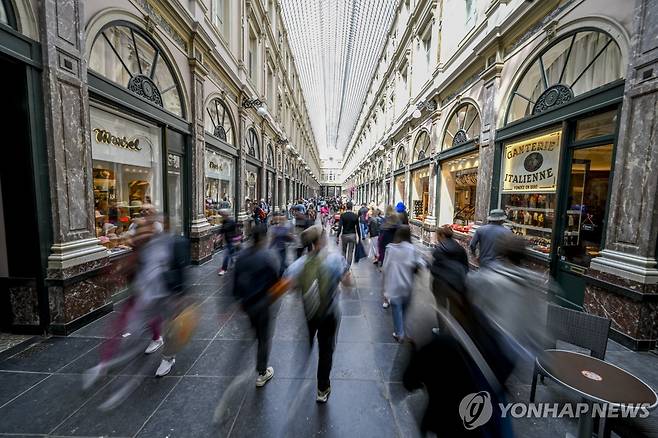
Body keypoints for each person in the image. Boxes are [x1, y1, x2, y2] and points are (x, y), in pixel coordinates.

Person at [284, 225, 352, 402]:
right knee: (326, 350)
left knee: (310, 335)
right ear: (320, 242)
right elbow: (348, 283)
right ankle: (322, 389)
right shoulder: (335, 260)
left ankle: (305, 354)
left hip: (310, 313)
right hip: (329, 314)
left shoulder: (298, 265)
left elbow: (290, 288)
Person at [232, 224, 280, 387]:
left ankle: (239, 361)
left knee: (254, 331)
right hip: (262, 303)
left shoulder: (242, 256)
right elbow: (276, 280)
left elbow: (235, 281)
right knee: (263, 338)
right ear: (263, 238)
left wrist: (238, 300)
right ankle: (262, 372)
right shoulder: (267, 257)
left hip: (246, 304)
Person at [382, 225, 422, 342]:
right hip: (407, 285)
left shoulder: (390, 248)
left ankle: (399, 333)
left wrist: (383, 288)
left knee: (396, 310)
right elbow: (420, 264)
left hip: (394, 285)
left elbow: (385, 268)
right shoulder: (412, 249)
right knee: (404, 309)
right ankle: (403, 330)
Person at [430, 225, 469, 317]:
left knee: (441, 308)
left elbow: (435, 269)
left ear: (442, 235)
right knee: (454, 310)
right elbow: (465, 267)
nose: (437, 238)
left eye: (437, 236)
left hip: (441, 284)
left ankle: (442, 330)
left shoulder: (438, 250)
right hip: (457, 284)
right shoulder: (461, 249)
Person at [336, 201, 359, 267]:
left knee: (343, 251)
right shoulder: (355, 216)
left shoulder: (343, 215)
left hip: (344, 235)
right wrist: (359, 236)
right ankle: (348, 267)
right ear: (352, 207)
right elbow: (358, 227)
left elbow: (340, 226)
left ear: (346, 207)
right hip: (352, 235)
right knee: (350, 252)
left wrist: (337, 236)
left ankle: (343, 265)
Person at [218, 209, 239, 276]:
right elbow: (222, 229)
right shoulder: (224, 221)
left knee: (226, 255)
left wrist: (219, 236)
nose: (221, 216)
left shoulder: (231, 222)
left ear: (226, 215)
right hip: (229, 241)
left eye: (222, 215)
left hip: (232, 240)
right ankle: (233, 262)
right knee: (232, 253)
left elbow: (224, 229)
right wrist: (219, 236)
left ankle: (224, 269)